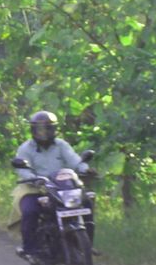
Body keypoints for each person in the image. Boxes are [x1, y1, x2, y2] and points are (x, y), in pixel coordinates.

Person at [11, 110, 95, 257]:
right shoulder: (25, 148)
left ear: (54, 129)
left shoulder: (61, 145)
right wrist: (33, 178)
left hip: (62, 187)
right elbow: (22, 170)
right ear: (33, 130)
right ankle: (30, 249)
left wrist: (85, 169)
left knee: (86, 204)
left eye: (47, 129)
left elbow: (74, 161)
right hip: (35, 188)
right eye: (39, 129)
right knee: (30, 211)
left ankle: (87, 245)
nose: (42, 133)